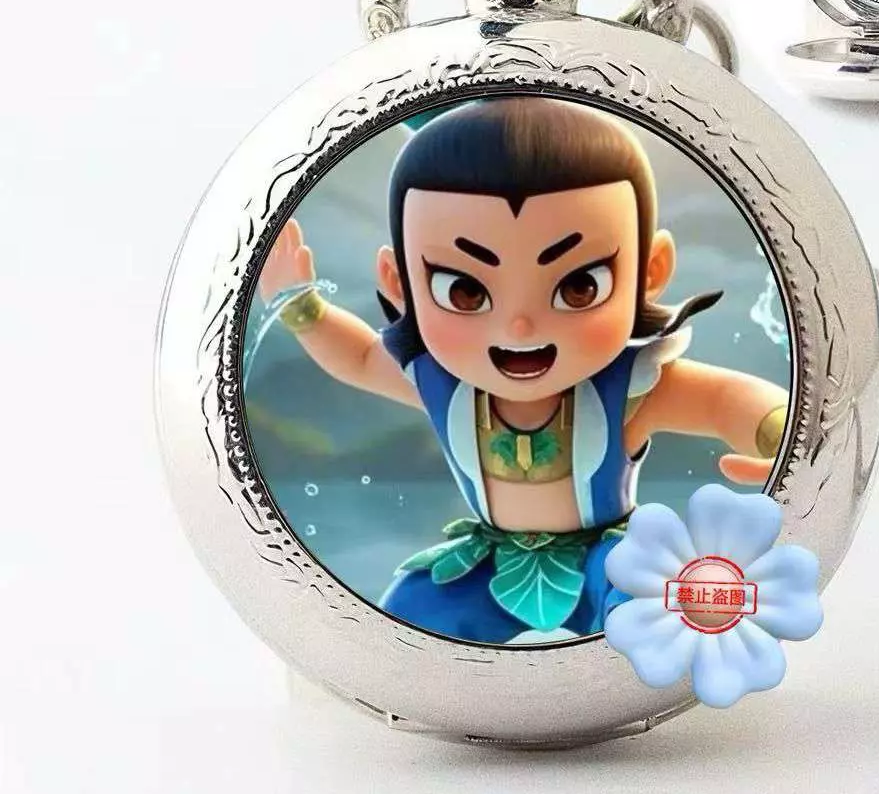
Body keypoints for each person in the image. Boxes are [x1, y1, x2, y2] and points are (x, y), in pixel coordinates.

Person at [258, 97, 788, 643]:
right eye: (464, 291)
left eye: (579, 287)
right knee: (410, 611)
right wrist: (301, 308)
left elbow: (723, 400)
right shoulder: (443, 384)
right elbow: (361, 357)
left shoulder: (629, 387)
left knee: (648, 609)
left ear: (650, 271)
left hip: (610, 560)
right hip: (488, 558)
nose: (519, 327)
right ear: (399, 283)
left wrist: (776, 432)